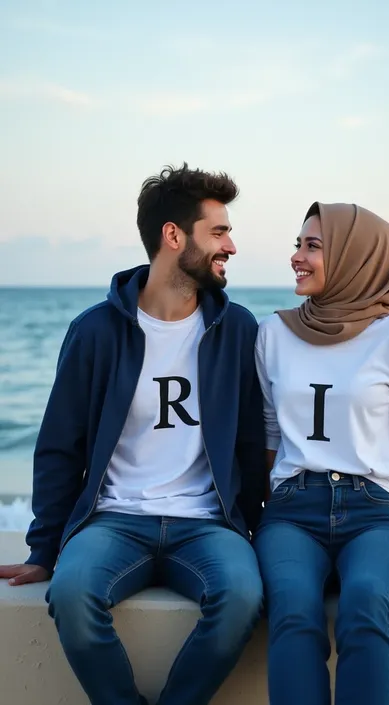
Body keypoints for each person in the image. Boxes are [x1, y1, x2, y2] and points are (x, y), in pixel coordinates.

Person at [0, 164, 266, 705]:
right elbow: (59, 446)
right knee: (71, 594)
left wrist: (255, 530)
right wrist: (44, 548)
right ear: (174, 236)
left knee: (242, 596)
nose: (231, 246)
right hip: (114, 520)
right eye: (218, 232)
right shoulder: (95, 330)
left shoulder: (237, 328)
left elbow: (250, 442)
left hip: (207, 524)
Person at [253, 201, 389, 705]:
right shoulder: (273, 332)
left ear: (357, 257)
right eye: (298, 244)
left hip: (373, 514)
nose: (297, 257)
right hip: (292, 513)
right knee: (291, 609)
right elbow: (268, 440)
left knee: (365, 602)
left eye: (313, 246)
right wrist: (250, 523)